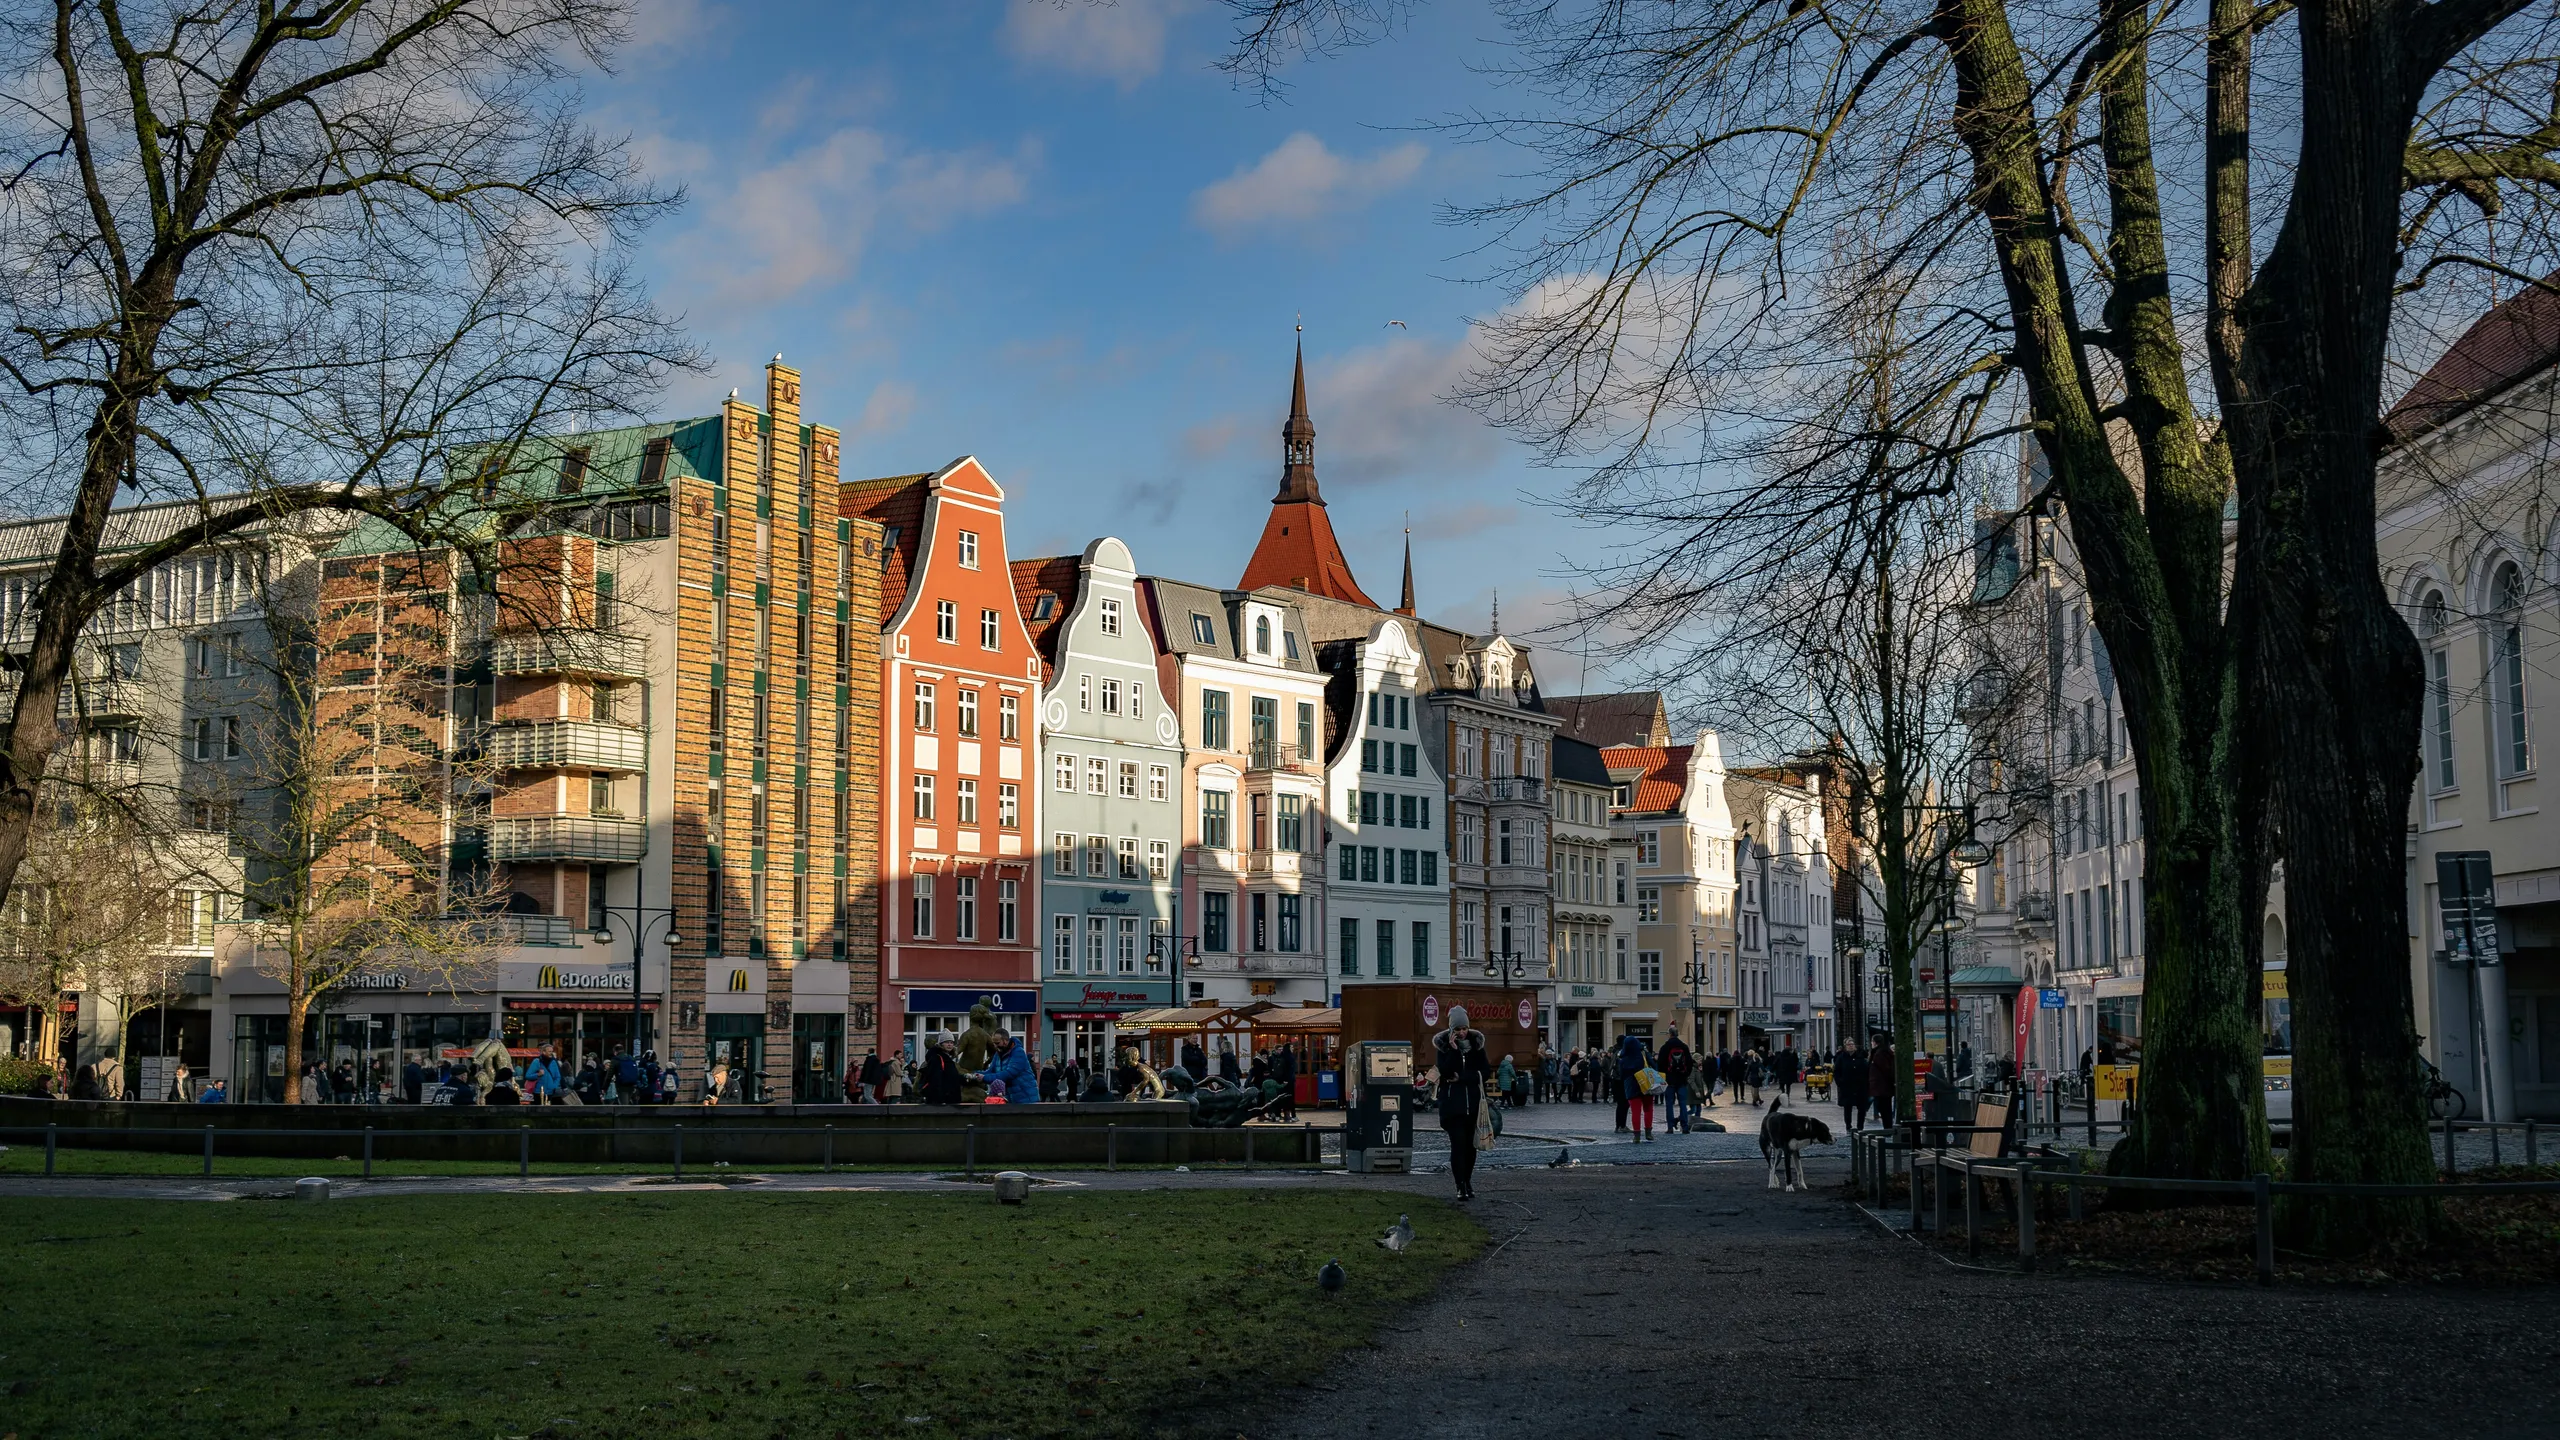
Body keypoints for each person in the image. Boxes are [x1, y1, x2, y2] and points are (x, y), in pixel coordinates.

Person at [1433, 1006, 1494, 1201]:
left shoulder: (1477, 1047)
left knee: (1471, 1147)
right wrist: (1453, 1051)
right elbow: (1445, 1072)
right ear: (1451, 1030)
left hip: (1474, 1106)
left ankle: (1467, 1181)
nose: (1461, 1033)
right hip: (1453, 1107)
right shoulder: (1444, 1047)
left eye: (1464, 1029)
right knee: (1458, 1146)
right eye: (1457, 1029)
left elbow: (1485, 1072)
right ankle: (1459, 1185)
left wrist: (1464, 1078)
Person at [980, 1028, 1038, 1105]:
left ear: (1005, 1041)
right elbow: (990, 1071)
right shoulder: (998, 1055)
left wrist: (983, 1077)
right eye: (994, 1043)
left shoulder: (1018, 1052)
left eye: (997, 1043)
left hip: (1026, 1098)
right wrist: (973, 1074)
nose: (995, 1046)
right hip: (1011, 1098)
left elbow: (1008, 1074)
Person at [1656, 1035, 1695, 1133]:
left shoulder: (1665, 1047)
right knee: (1683, 1104)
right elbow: (1690, 1063)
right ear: (1677, 1035)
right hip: (1682, 1080)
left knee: (1669, 1104)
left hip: (1669, 1080)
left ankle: (1670, 1127)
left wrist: (1664, 1076)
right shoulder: (1684, 1047)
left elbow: (1660, 1064)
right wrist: (1685, 1074)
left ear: (1669, 1035)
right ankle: (1684, 1127)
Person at [1834, 1037, 1869, 1130]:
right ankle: (1848, 1125)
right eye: (1849, 1045)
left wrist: (1865, 1082)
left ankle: (1860, 1126)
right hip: (1847, 1087)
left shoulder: (1860, 1057)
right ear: (1845, 1046)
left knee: (1861, 1107)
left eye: (1852, 1044)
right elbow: (1836, 1071)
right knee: (1847, 1107)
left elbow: (1866, 1070)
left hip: (1860, 1087)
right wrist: (1840, 1082)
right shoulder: (1841, 1057)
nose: (1851, 1046)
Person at [920, 1037, 963, 1105]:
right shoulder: (937, 1058)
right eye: (946, 1042)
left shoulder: (947, 1058)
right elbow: (935, 1080)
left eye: (951, 1042)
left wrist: (965, 1078)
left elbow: (952, 1077)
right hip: (943, 1102)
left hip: (948, 1100)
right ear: (941, 1044)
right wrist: (940, 1100)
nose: (949, 1045)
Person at [1868, 1037, 1898, 1131]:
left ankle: (1888, 1128)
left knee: (1884, 1108)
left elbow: (1886, 1069)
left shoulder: (1879, 1054)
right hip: (1882, 1086)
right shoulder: (1881, 1052)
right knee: (1884, 1108)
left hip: (1882, 1086)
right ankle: (1887, 1127)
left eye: (1872, 1042)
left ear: (1875, 1043)